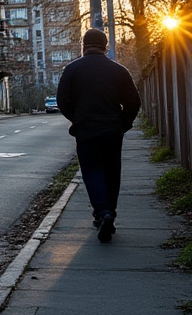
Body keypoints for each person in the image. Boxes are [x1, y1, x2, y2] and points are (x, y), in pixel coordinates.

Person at [56, 28, 141, 242]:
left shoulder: (72, 70)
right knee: (112, 172)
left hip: (86, 131)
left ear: (84, 45)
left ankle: (103, 213)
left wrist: (78, 118)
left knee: (92, 171)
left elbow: (63, 101)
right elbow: (133, 102)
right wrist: (123, 123)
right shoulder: (118, 70)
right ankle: (108, 212)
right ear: (105, 46)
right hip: (113, 130)